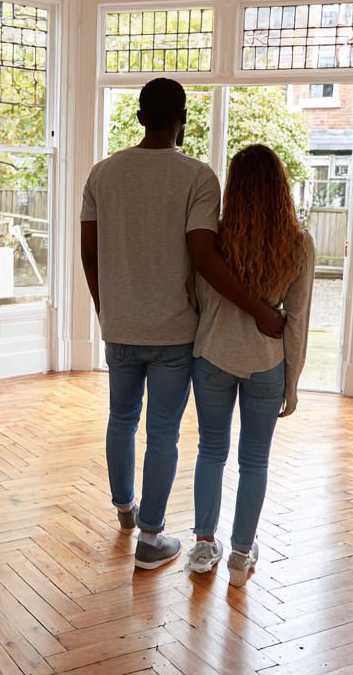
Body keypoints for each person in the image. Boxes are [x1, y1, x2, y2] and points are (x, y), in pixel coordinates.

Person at [80, 79, 285, 570]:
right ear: (183, 119)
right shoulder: (198, 175)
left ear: (139, 117)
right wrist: (259, 309)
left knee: (120, 420)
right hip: (174, 332)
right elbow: (203, 254)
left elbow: (89, 253)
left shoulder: (102, 174)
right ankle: (151, 539)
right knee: (163, 433)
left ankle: (125, 509)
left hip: (120, 326)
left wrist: (105, 310)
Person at [184, 144, 314, 587]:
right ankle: (241, 555)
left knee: (210, 451)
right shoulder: (298, 242)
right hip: (266, 364)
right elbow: (296, 319)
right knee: (254, 460)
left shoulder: (212, 238)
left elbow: (199, 301)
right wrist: (291, 383)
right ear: (282, 188)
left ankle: (204, 546)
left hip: (213, 357)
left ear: (234, 186)